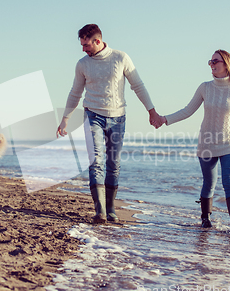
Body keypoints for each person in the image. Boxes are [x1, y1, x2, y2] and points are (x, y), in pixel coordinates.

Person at [57, 24, 162, 224]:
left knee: (113, 164)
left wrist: (151, 111)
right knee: (96, 161)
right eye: (81, 45)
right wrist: (65, 119)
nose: (83, 49)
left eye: (86, 44)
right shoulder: (82, 64)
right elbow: (75, 93)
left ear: (98, 40)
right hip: (92, 115)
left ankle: (111, 208)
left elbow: (137, 85)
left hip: (117, 118)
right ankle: (100, 211)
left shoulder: (121, 58)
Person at [157, 49, 230, 232]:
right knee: (209, 183)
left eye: (215, 61)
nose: (212, 65)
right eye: (210, 62)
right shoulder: (205, 87)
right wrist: (165, 119)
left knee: (229, 182)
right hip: (207, 143)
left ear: (226, 64)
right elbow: (188, 110)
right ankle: (205, 221)